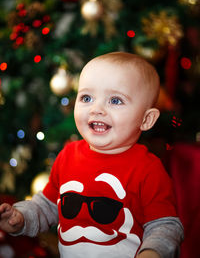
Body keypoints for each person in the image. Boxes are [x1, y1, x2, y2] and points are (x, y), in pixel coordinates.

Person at [0, 52, 184, 258]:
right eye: (86, 98)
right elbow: (47, 206)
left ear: (147, 119)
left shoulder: (148, 169)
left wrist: (152, 252)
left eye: (115, 100)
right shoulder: (68, 155)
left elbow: (165, 226)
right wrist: (21, 217)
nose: (96, 109)